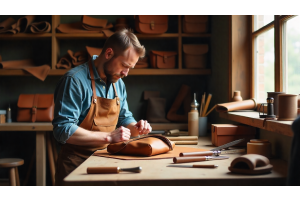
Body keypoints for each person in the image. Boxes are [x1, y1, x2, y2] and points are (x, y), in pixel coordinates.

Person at [52, 29, 152, 186]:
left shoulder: (118, 83)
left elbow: (124, 117)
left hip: (106, 162)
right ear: (109, 53)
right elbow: (62, 130)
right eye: (124, 65)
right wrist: (108, 137)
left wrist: (136, 127)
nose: (126, 73)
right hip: (75, 167)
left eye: (130, 68)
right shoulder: (74, 81)